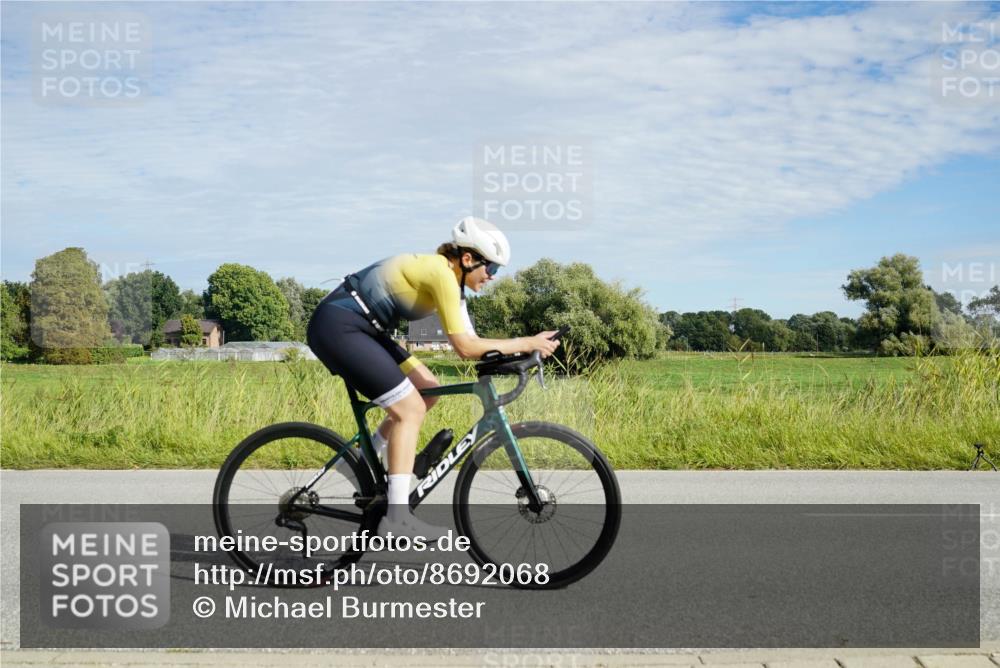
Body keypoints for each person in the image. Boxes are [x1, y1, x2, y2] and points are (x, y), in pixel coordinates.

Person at [306, 217, 560, 540]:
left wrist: (524, 352)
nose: (492, 278)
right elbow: (465, 348)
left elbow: (476, 343)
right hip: (340, 325)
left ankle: (363, 458)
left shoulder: (454, 287)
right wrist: (527, 342)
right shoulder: (442, 273)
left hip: (364, 328)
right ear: (468, 260)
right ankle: (397, 518)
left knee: (428, 389)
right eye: (491, 269)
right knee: (410, 409)